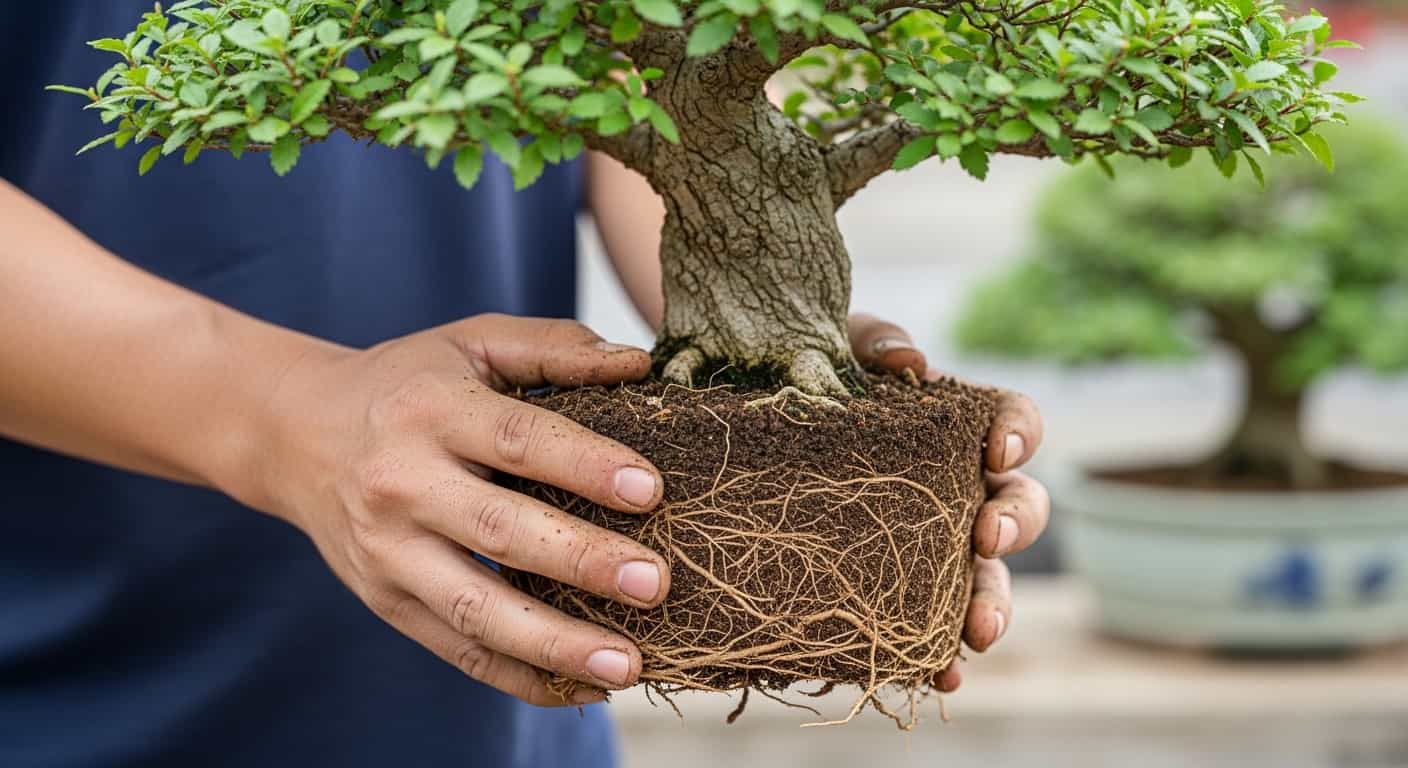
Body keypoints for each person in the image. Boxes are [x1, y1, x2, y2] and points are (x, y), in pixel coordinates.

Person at [0, 4, 1050, 767]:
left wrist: (781, 321)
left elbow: (673, 79)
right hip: (76, 685)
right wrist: (285, 416)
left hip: (506, 717)